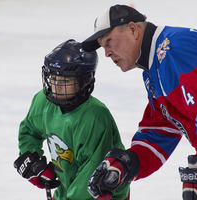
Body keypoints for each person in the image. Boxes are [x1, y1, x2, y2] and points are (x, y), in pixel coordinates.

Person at [81, 4, 197, 200]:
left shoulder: (175, 47)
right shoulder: (154, 67)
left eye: (108, 42)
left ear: (133, 29)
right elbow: (161, 128)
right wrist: (128, 163)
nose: (106, 53)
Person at [13, 39, 130, 200]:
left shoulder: (95, 117)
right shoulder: (43, 102)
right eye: (53, 79)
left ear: (84, 81)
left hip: (102, 195)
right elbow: (29, 131)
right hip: (67, 192)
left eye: (65, 81)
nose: (57, 87)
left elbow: (91, 174)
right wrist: (32, 160)